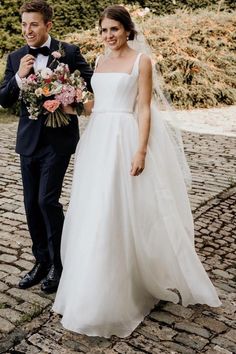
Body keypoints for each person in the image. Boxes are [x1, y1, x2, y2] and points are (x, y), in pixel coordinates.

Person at [53, 5, 221, 338]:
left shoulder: (141, 61)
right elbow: (94, 106)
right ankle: (91, 287)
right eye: (103, 30)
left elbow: (143, 108)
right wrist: (67, 99)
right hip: (98, 140)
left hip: (124, 139)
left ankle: (126, 286)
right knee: (95, 210)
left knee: (119, 209)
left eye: (114, 29)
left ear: (128, 30)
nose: (108, 36)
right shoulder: (99, 62)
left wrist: (141, 149)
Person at [0, 0, 93, 294]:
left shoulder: (70, 52)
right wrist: (19, 77)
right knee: (30, 205)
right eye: (24, 24)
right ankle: (40, 262)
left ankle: (59, 265)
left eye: (34, 24)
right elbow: (4, 99)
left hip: (58, 141)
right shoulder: (16, 58)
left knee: (46, 201)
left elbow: (90, 91)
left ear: (48, 25)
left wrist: (68, 101)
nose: (28, 30)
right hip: (28, 142)